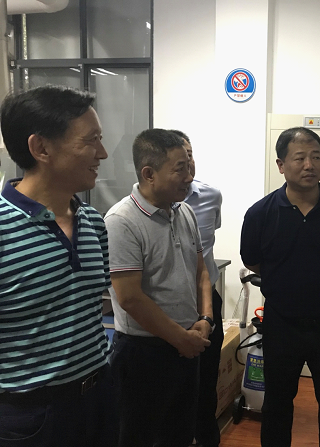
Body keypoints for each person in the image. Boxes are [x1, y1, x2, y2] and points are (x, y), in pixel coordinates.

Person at [0, 85, 118, 447]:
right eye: (91, 140)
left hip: (100, 396)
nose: (103, 153)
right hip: (32, 416)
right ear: (41, 148)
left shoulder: (93, 222)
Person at [240, 127, 320, 446]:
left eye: (316, 156)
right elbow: (253, 262)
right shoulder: (260, 214)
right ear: (281, 165)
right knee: (277, 404)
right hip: (282, 325)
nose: (309, 165)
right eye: (300, 158)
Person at [105, 129, 213, 447]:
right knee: (138, 437)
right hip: (144, 354)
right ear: (149, 174)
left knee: (179, 435)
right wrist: (181, 339)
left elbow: (201, 271)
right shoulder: (122, 221)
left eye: (189, 167)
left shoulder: (184, 211)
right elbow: (129, 298)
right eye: (180, 169)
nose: (189, 177)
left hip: (188, 344)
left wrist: (205, 319)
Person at [170, 129, 224, 447]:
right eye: (180, 158)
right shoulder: (137, 209)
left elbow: (206, 252)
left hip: (207, 300)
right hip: (169, 306)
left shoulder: (211, 196)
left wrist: (206, 315)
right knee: (172, 384)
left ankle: (206, 438)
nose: (188, 162)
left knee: (206, 379)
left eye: (190, 154)